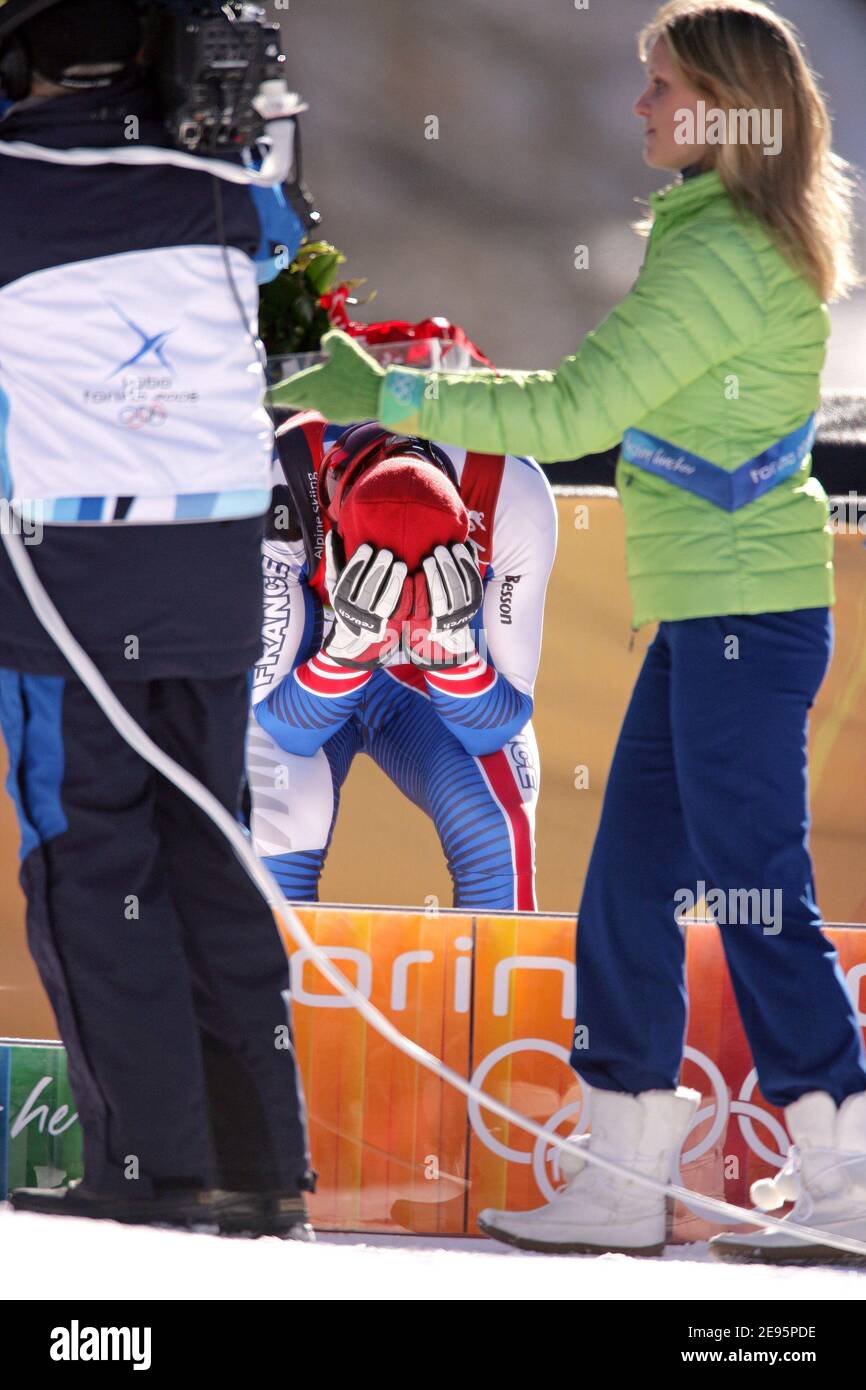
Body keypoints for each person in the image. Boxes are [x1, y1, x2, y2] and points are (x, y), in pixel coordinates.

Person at [272, 0, 866, 1263]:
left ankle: (841, 1166)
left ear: (716, 105)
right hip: (708, 615)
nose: (639, 107)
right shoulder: (720, 235)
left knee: (757, 892)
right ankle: (621, 1165)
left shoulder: (720, 260)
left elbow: (571, 408)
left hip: (741, 620)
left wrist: (388, 394)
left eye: (658, 85)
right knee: (627, 891)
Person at [0, 0, 313, 1236]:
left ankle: (152, 1171)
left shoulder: (13, 183)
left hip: (70, 571)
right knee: (209, 847)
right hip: (213, 563)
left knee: (93, 861)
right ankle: (259, 1164)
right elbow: (279, 251)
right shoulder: (226, 185)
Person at [247, 410, 556, 911]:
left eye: (416, 588)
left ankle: (496, 985)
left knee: (496, 824)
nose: (399, 611)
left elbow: (499, 726)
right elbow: (277, 724)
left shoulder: (512, 493)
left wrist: (454, 661)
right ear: (336, 526)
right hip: (309, 664)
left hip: (426, 693)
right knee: (275, 820)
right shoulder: (285, 479)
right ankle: (265, 988)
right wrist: (345, 656)